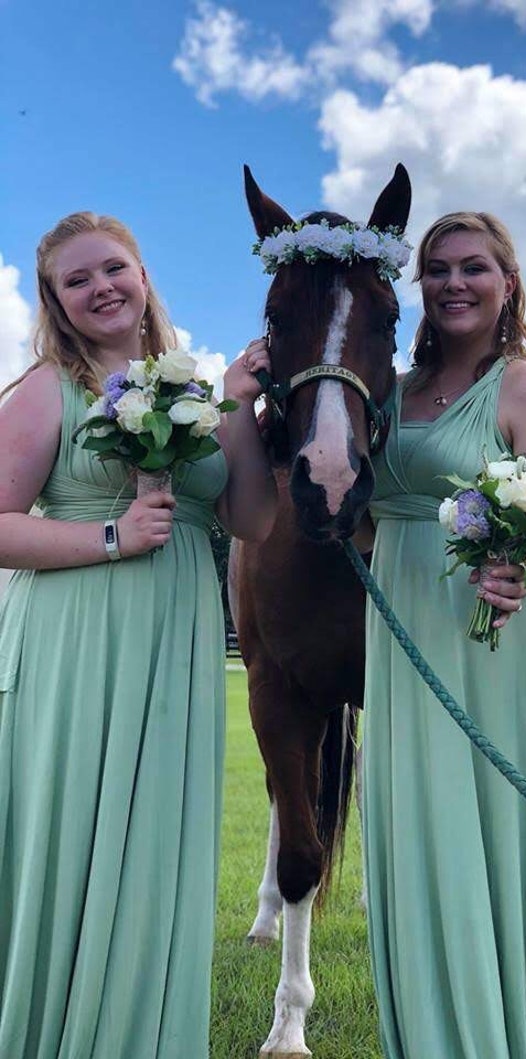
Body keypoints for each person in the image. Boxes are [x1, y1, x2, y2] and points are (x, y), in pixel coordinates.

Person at [0, 211, 276, 1058]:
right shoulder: (51, 386)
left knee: (153, 851)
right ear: (54, 300)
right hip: (75, 641)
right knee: (70, 845)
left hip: (175, 646)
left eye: (113, 268)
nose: (101, 288)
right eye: (76, 280)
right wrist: (111, 536)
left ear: (144, 275)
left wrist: (234, 408)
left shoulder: (192, 389)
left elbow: (255, 518)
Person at [362, 211, 526, 1058]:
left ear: (508, 282)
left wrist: (525, 571)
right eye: (439, 269)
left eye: (474, 268)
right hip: (402, 620)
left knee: (487, 826)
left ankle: (507, 1031)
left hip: (498, 630)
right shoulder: (392, 388)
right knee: (416, 827)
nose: (455, 283)